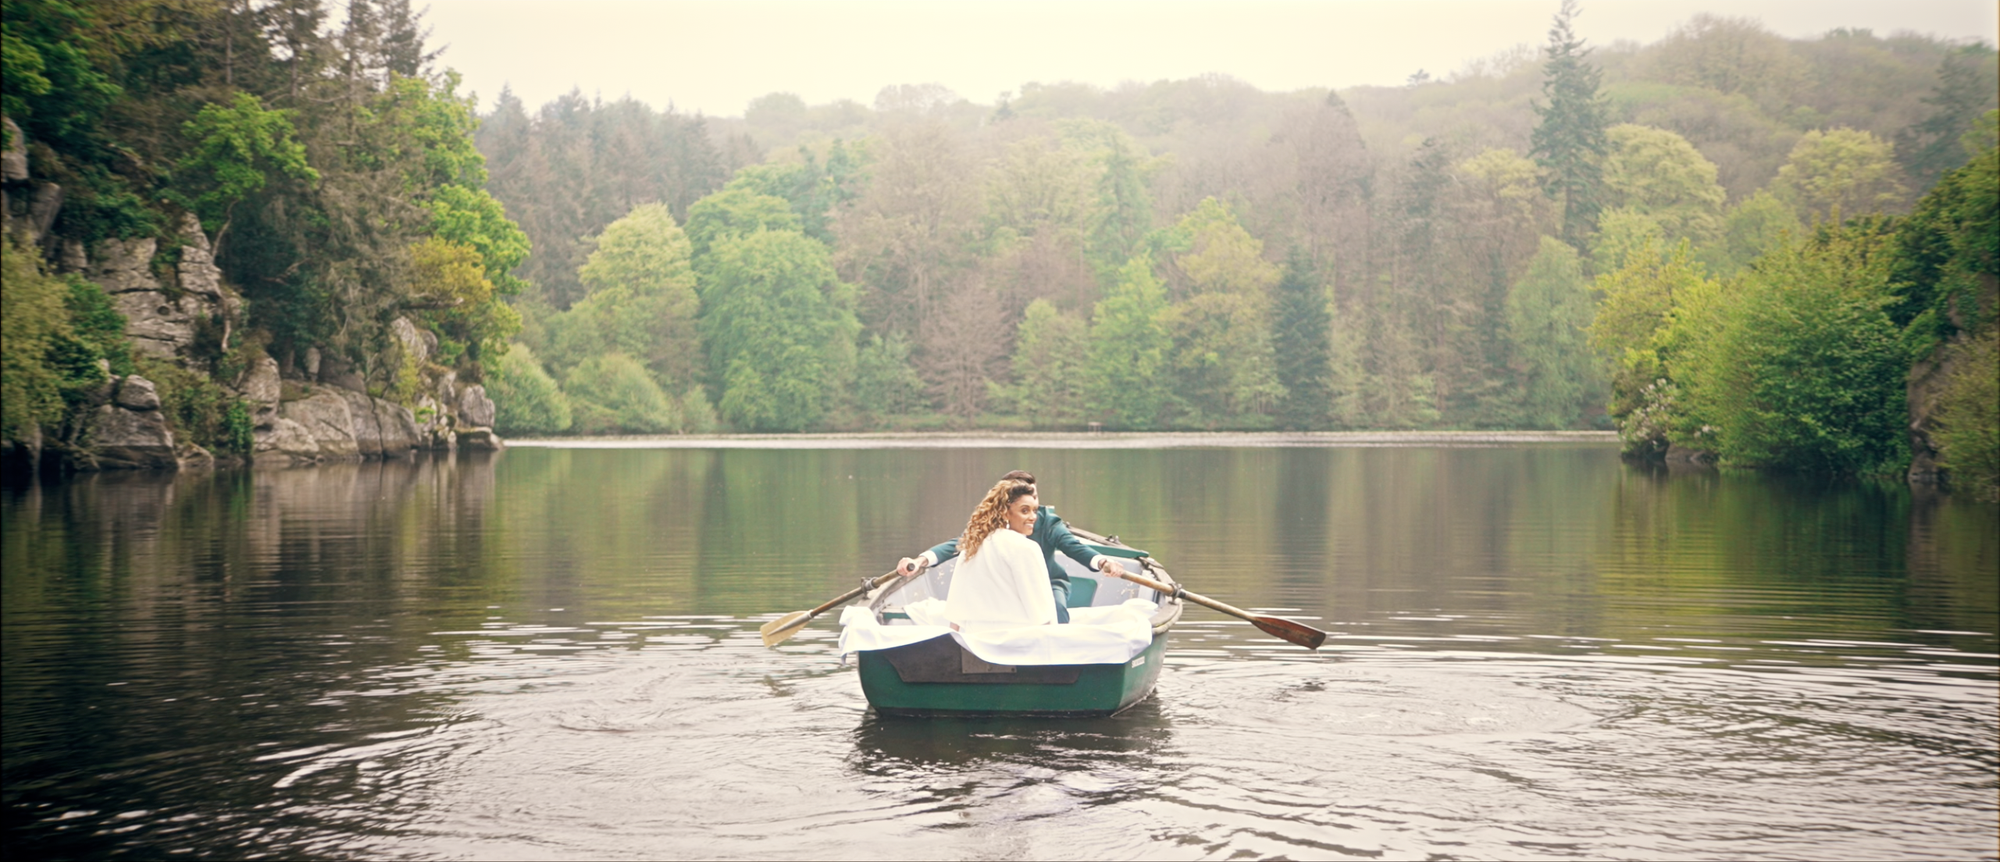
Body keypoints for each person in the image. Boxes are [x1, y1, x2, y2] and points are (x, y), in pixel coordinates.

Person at [898, 469, 1120, 624]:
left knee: (1054, 608)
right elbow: (956, 544)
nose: (1032, 509)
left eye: (1033, 496)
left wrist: (1103, 562)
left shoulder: (1046, 521)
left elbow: (1073, 546)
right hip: (1002, 587)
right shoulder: (988, 526)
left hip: (1047, 583)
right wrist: (919, 561)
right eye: (1024, 502)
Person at [941, 479, 1056, 631]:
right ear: (1005, 513)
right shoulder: (1026, 548)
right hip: (1017, 642)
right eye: (1024, 510)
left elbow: (956, 608)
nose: (1033, 517)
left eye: (1034, 510)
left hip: (976, 642)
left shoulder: (972, 545)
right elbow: (1041, 612)